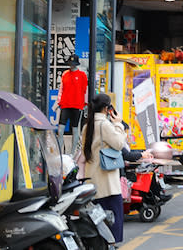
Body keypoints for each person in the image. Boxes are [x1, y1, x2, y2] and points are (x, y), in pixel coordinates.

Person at [81, 94, 127, 245]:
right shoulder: (105, 125)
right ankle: (111, 244)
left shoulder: (87, 126)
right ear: (107, 109)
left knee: (98, 219)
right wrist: (119, 124)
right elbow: (119, 144)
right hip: (108, 182)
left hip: (92, 178)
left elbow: (83, 151)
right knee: (112, 219)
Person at [57, 54, 87, 154]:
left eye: (73, 64)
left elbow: (84, 90)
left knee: (75, 129)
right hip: (65, 105)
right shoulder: (65, 74)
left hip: (77, 105)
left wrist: (84, 104)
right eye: (70, 64)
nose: (71, 66)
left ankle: (72, 153)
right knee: (60, 129)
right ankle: (60, 152)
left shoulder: (82, 75)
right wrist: (59, 102)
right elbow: (61, 89)